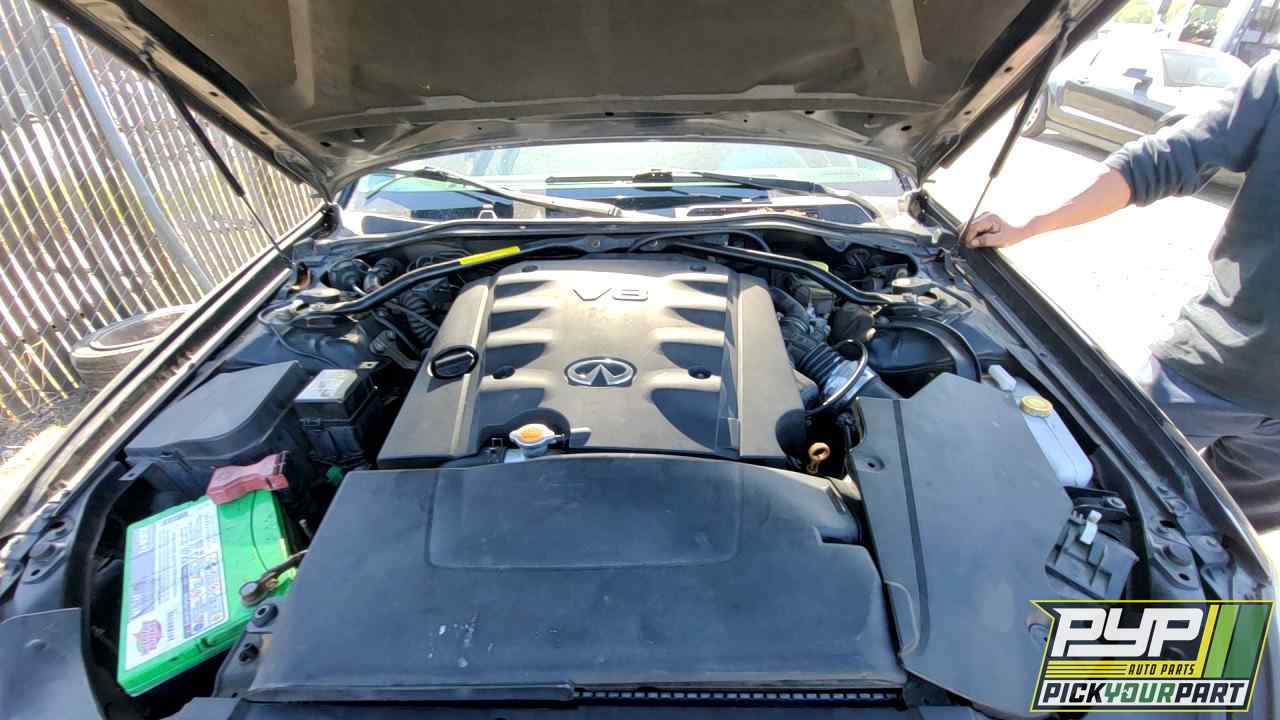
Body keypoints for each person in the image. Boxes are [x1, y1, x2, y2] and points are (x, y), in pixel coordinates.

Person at [963, 56, 1280, 532]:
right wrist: (1030, 223)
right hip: (1207, 372)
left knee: (1210, 549)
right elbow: (1164, 158)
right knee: (1069, 495)